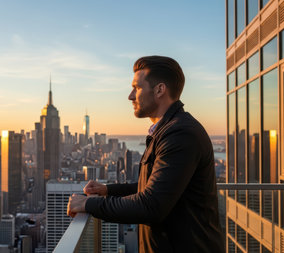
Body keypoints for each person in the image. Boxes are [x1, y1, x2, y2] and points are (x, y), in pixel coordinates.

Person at [67, 56, 224, 252]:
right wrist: (108, 190)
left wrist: (89, 204)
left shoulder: (180, 133)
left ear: (159, 90)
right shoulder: (167, 130)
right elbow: (154, 186)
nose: (130, 96)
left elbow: (151, 205)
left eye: (137, 88)